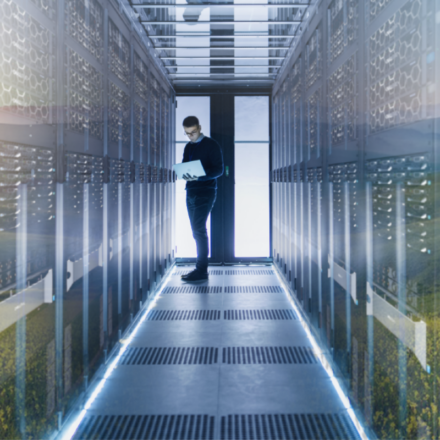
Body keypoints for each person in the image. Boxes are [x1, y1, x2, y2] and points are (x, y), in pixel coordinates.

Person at [180, 116, 224, 282]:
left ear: (199, 128)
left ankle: (201, 270)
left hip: (206, 191)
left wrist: (198, 176)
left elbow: (218, 170)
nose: (190, 136)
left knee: (199, 230)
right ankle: (200, 269)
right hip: (190, 191)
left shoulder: (211, 145)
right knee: (196, 230)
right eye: (187, 133)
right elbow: (185, 165)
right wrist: (184, 172)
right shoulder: (188, 147)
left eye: (193, 132)